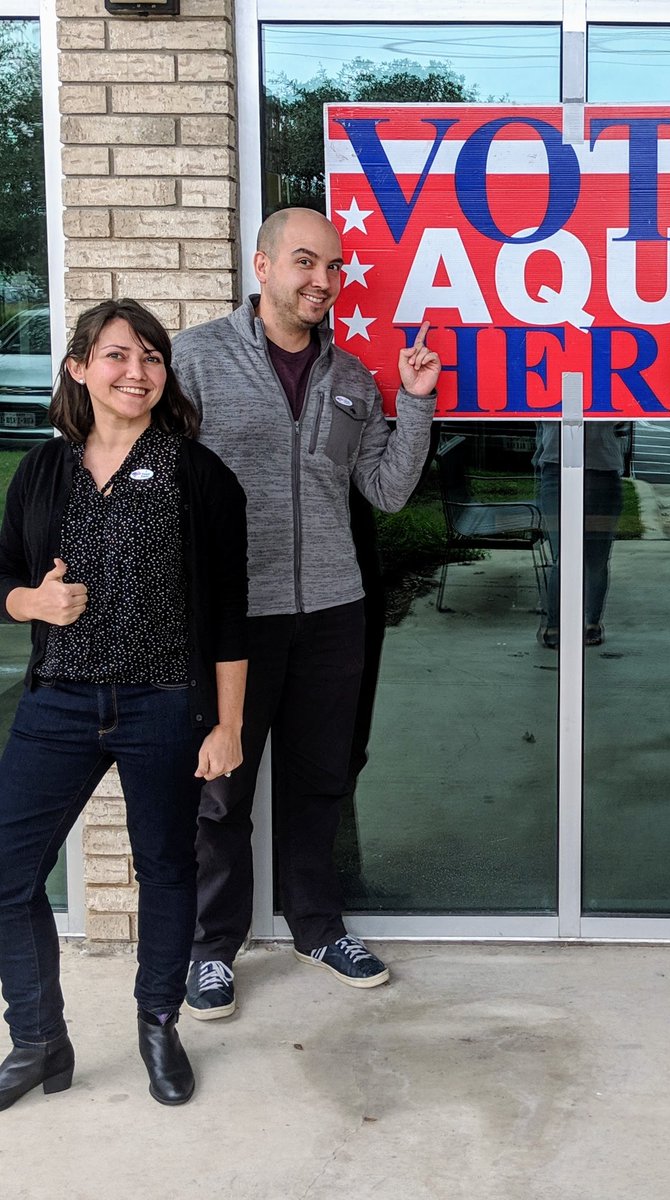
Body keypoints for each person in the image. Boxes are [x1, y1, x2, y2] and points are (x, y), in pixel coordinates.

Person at [172, 207, 438, 1019]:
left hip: (331, 611)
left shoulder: (353, 380)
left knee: (322, 778)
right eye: (303, 262)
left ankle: (317, 927)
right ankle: (211, 947)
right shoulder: (195, 361)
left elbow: (386, 492)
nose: (321, 279)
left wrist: (417, 401)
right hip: (232, 619)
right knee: (222, 788)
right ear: (262, 267)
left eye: (332, 266)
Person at [0, 299, 248, 1109]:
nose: (136, 371)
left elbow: (229, 609)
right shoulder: (42, 470)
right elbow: (3, 576)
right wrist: (28, 604)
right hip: (60, 703)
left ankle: (156, 1023)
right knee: (8, 874)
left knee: (168, 868)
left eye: (150, 357)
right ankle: (38, 1041)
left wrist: (228, 723)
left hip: (162, 703)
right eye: (116, 355)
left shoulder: (196, 473)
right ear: (79, 368)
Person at [534, 423, 625, 648]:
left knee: (596, 559)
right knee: (563, 558)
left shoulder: (607, 386)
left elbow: (621, 420)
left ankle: (591, 623)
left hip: (602, 471)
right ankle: (555, 625)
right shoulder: (547, 387)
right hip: (557, 468)